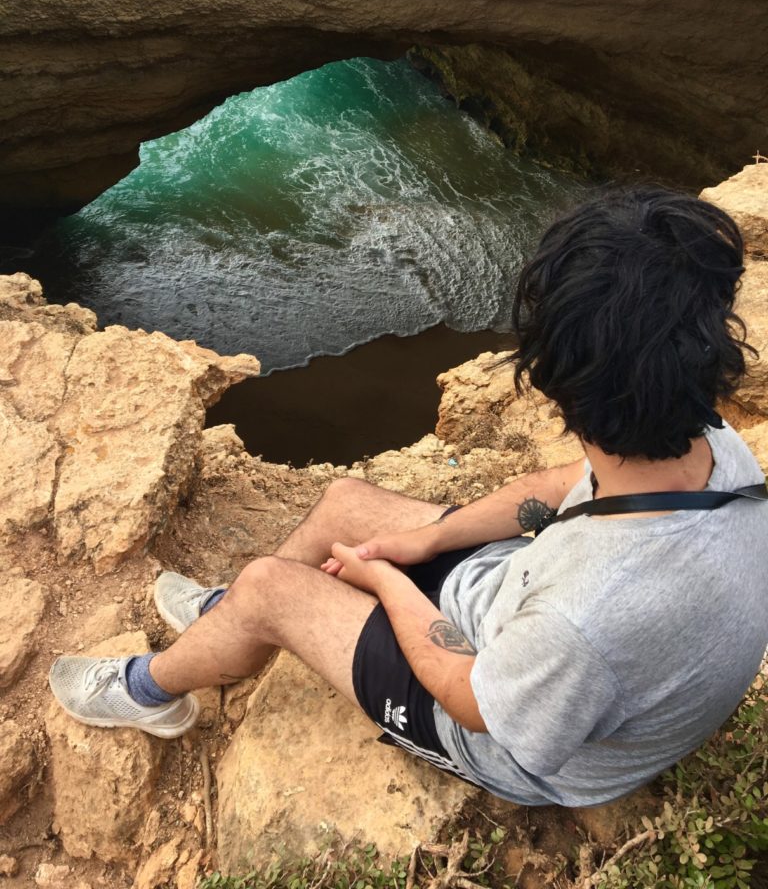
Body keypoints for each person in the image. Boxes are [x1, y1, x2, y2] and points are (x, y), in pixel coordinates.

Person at [49, 187, 768, 807]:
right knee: (345, 503)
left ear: (557, 379)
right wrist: (425, 541)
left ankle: (151, 693)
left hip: (499, 730)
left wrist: (388, 582)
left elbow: (471, 698)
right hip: (533, 615)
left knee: (271, 587)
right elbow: (556, 489)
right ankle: (223, 618)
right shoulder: (708, 445)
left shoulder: (590, 615)